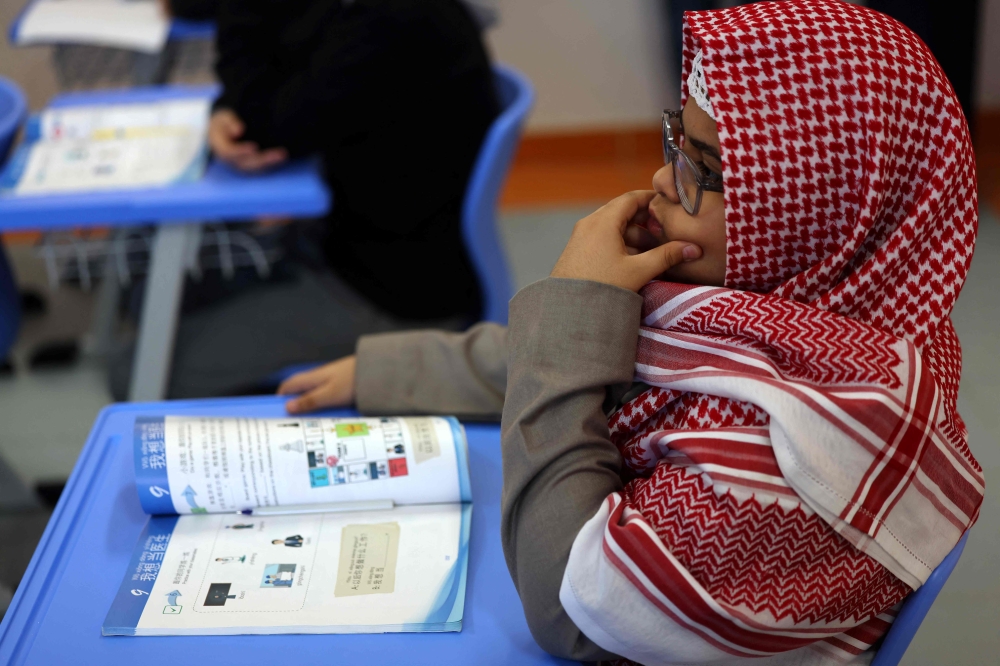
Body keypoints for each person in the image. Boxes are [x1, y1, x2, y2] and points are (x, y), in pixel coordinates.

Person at [277, 1, 984, 662]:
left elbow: (569, 608)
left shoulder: (799, 464)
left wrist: (576, 302)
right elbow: (617, 362)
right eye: (679, 143)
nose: (663, 179)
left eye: (706, 169)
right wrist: (392, 372)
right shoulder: (806, 303)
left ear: (818, 208)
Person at [112, 0, 500, 400]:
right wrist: (225, 109)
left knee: (135, 371)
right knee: (145, 298)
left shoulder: (392, 19)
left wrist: (238, 103)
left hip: (396, 292)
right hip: (350, 244)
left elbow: (264, 123)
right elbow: (277, 61)